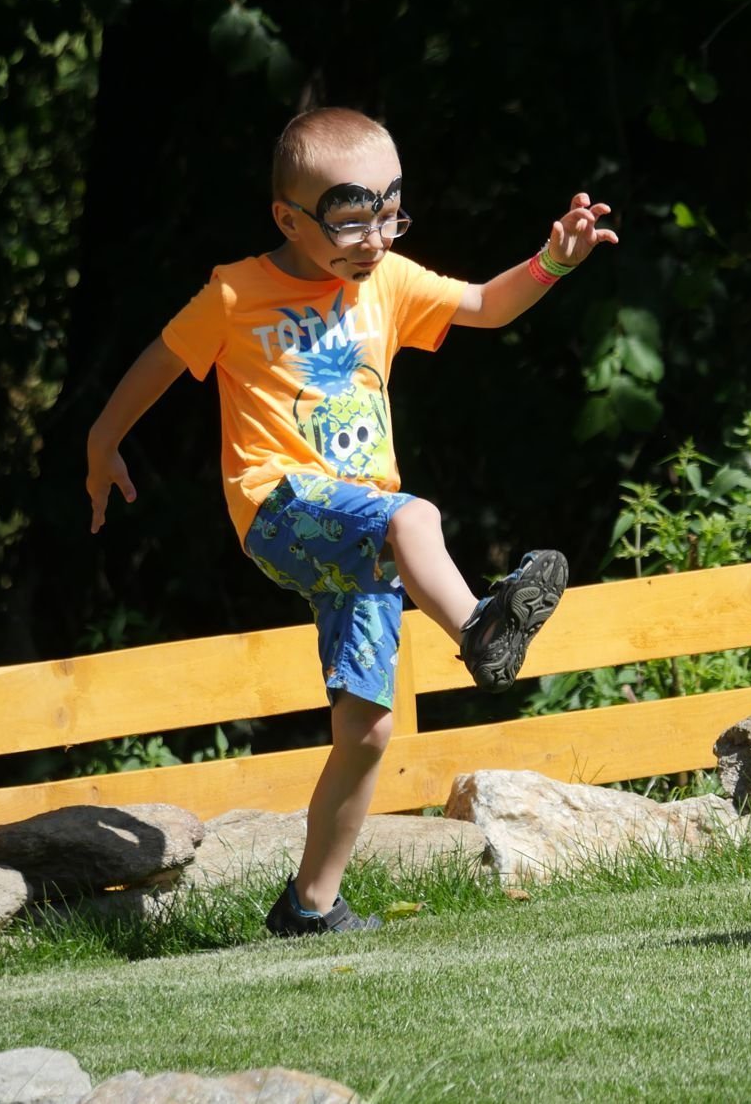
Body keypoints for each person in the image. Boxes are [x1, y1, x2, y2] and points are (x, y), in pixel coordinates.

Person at [84, 106, 616, 936]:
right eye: (351, 216)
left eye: (391, 209)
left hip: (364, 538)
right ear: (288, 218)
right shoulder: (236, 291)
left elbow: (484, 304)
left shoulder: (390, 281)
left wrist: (554, 259)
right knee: (416, 516)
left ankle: (310, 904)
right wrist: (101, 442)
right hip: (281, 505)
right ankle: (481, 627)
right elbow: (158, 363)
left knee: (367, 727)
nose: (375, 236)